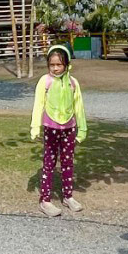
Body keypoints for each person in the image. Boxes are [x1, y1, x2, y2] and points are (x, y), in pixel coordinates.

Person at [30, 44, 87, 217]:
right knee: (49, 164)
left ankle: (68, 196)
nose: (55, 68)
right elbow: (38, 104)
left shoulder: (73, 83)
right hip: (51, 128)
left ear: (67, 64)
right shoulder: (45, 81)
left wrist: (82, 129)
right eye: (52, 65)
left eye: (59, 64)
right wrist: (35, 127)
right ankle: (45, 200)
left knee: (68, 163)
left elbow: (79, 107)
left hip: (69, 129)